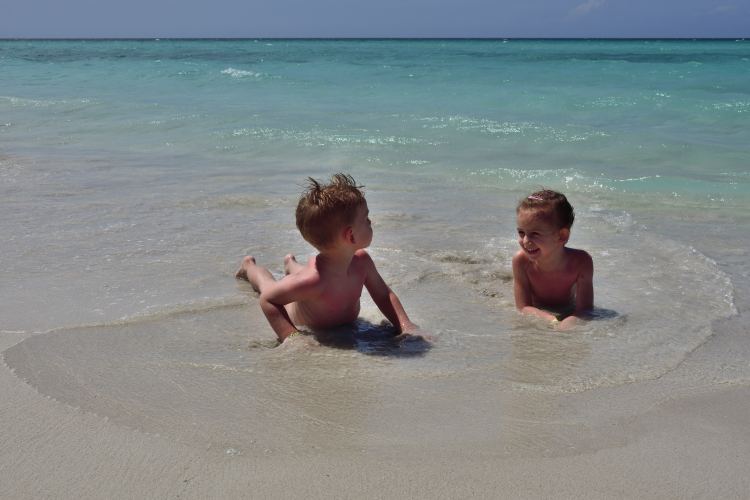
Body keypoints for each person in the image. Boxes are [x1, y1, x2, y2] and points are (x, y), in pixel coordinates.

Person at [236, 173, 424, 343]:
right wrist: (292, 336)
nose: (370, 221)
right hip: (301, 300)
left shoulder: (362, 262)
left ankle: (290, 263)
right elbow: (268, 300)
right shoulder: (313, 281)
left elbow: (383, 295)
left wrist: (405, 325)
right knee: (267, 285)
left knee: (302, 276)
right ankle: (249, 266)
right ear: (350, 236)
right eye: (366, 218)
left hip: (315, 279)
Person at [512, 189, 594, 329]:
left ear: (562, 236)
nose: (525, 241)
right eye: (521, 232)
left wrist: (571, 321)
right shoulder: (521, 262)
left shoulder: (581, 262)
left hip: (566, 307)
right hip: (539, 310)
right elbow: (523, 307)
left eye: (535, 234)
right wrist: (553, 320)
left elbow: (585, 309)